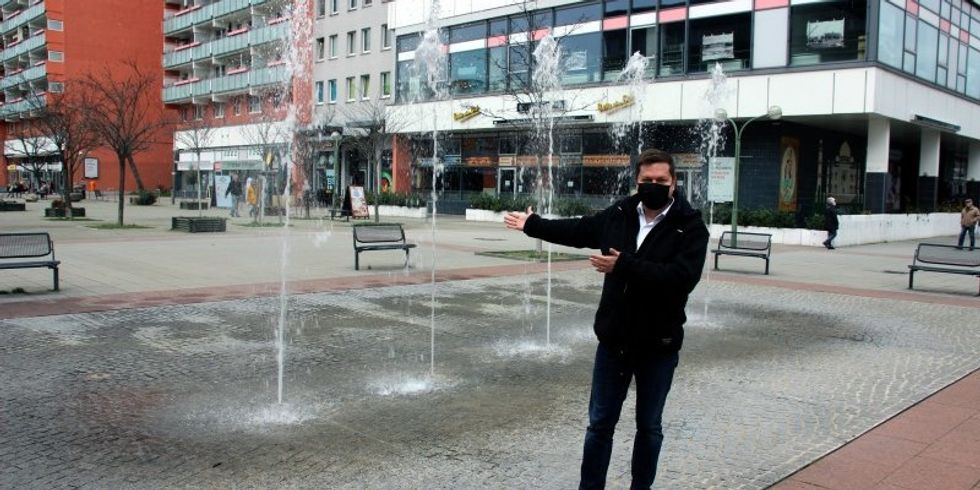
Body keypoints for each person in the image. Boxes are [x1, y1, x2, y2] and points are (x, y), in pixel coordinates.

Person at [504, 149, 709, 489]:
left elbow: (681, 278)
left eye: (661, 180)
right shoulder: (620, 213)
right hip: (615, 342)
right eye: (647, 181)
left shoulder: (689, 227)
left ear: (674, 183)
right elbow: (580, 230)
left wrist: (624, 266)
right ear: (637, 181)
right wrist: (533, 225)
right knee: (599, 425)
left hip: (658, 345)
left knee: (649, 427)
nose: (653, 185)